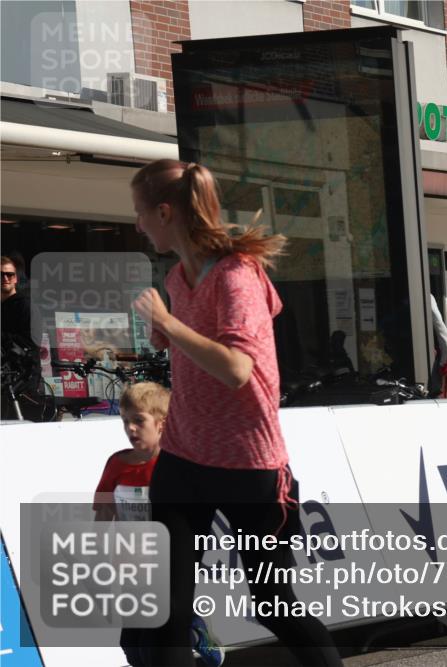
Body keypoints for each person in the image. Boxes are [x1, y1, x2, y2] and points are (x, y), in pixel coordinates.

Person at [129, 159, 342, 666]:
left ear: (164, 212)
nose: (137, 224)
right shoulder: (178, 278)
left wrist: (170, 325)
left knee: (272, 605)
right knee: (167, 609)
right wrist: (171, 333)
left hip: (249, 464)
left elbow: (237, 370)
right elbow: (201, 350)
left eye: (140, 214)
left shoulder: (236, 276)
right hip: (184, 456)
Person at [92, 382, 224, 667]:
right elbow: (104, 512)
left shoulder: (179, 465)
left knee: (155, 641)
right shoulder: (116, 464)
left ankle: (189, 630)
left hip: (168, 565)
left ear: (162, 424)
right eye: (125, 421)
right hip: (129, 566)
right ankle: (193, 630)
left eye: (139, 421)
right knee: (130, 643)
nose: (131, 429)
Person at [1, 255, 33, 345]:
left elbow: (30, 341)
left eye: (9, 274)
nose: (5, 278)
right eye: (1, 274)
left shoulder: (26, 306)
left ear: (15, 278)